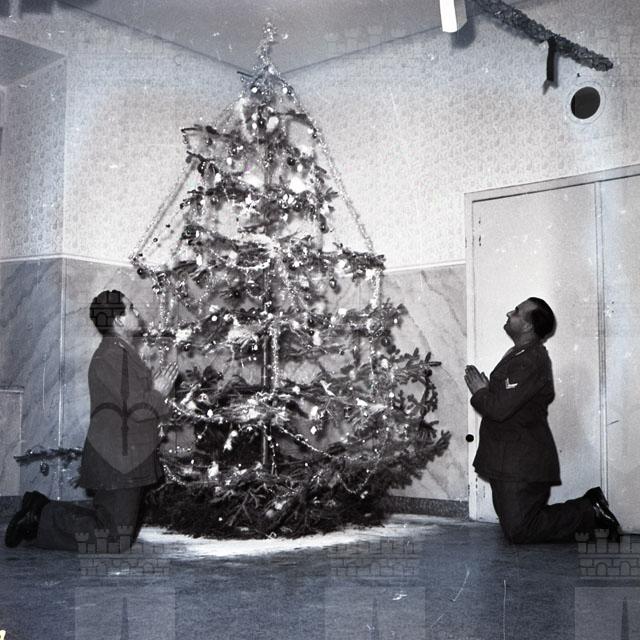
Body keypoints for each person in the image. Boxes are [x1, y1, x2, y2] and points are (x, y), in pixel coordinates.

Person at [5, 289, 178, 551]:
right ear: (118, 320)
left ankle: (40, 512)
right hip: (119, 459)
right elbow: (137, 409)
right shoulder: (112, 355)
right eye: (130, 308)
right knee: (113, 537)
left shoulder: (121, 352)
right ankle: (40, 516)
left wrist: (156, 395)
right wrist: (159, 391)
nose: (136, 313)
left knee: (113, 531)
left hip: (125, 456)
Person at [465, 296, 621, 544]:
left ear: (528, 326)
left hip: (519, 461)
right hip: (506, 458)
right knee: (516, 528)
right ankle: (589, 510)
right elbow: (509, 403)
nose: (509, 313)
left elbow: (499, 409)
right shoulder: (520, 354)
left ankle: (590, 512)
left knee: (521, 530)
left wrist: (481, 392)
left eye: (517, 312)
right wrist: (488, 392)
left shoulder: (530, 360)